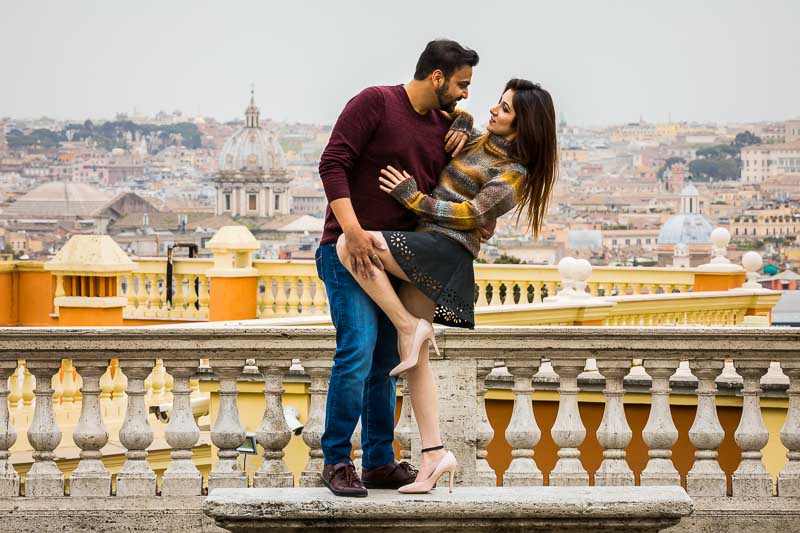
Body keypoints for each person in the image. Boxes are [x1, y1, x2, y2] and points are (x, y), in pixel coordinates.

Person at [335, 78, 559, 493]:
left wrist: (412, 198)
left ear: (525, 124)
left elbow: (473, 214)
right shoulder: (474, 139)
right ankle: (435, 455)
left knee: (350, 244)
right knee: (416, 361)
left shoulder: (514, 174)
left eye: (505, 109)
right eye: (497, 103)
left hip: (444, 250)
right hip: (428, 248)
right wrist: (465, 117)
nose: (494, 109)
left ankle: (405, 322)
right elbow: (448, 114)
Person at [316, 39, 481, 497]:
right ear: (437, 77)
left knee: (389, 360)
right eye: (462, 84)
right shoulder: (376, 102)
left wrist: (463, 124)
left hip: (395, 259)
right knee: (358, 349)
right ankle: (335, 461)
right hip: (346, 251)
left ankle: (379, 461)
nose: (466, 93)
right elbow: (333, 164)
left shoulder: (446, 127)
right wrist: (351, 231)